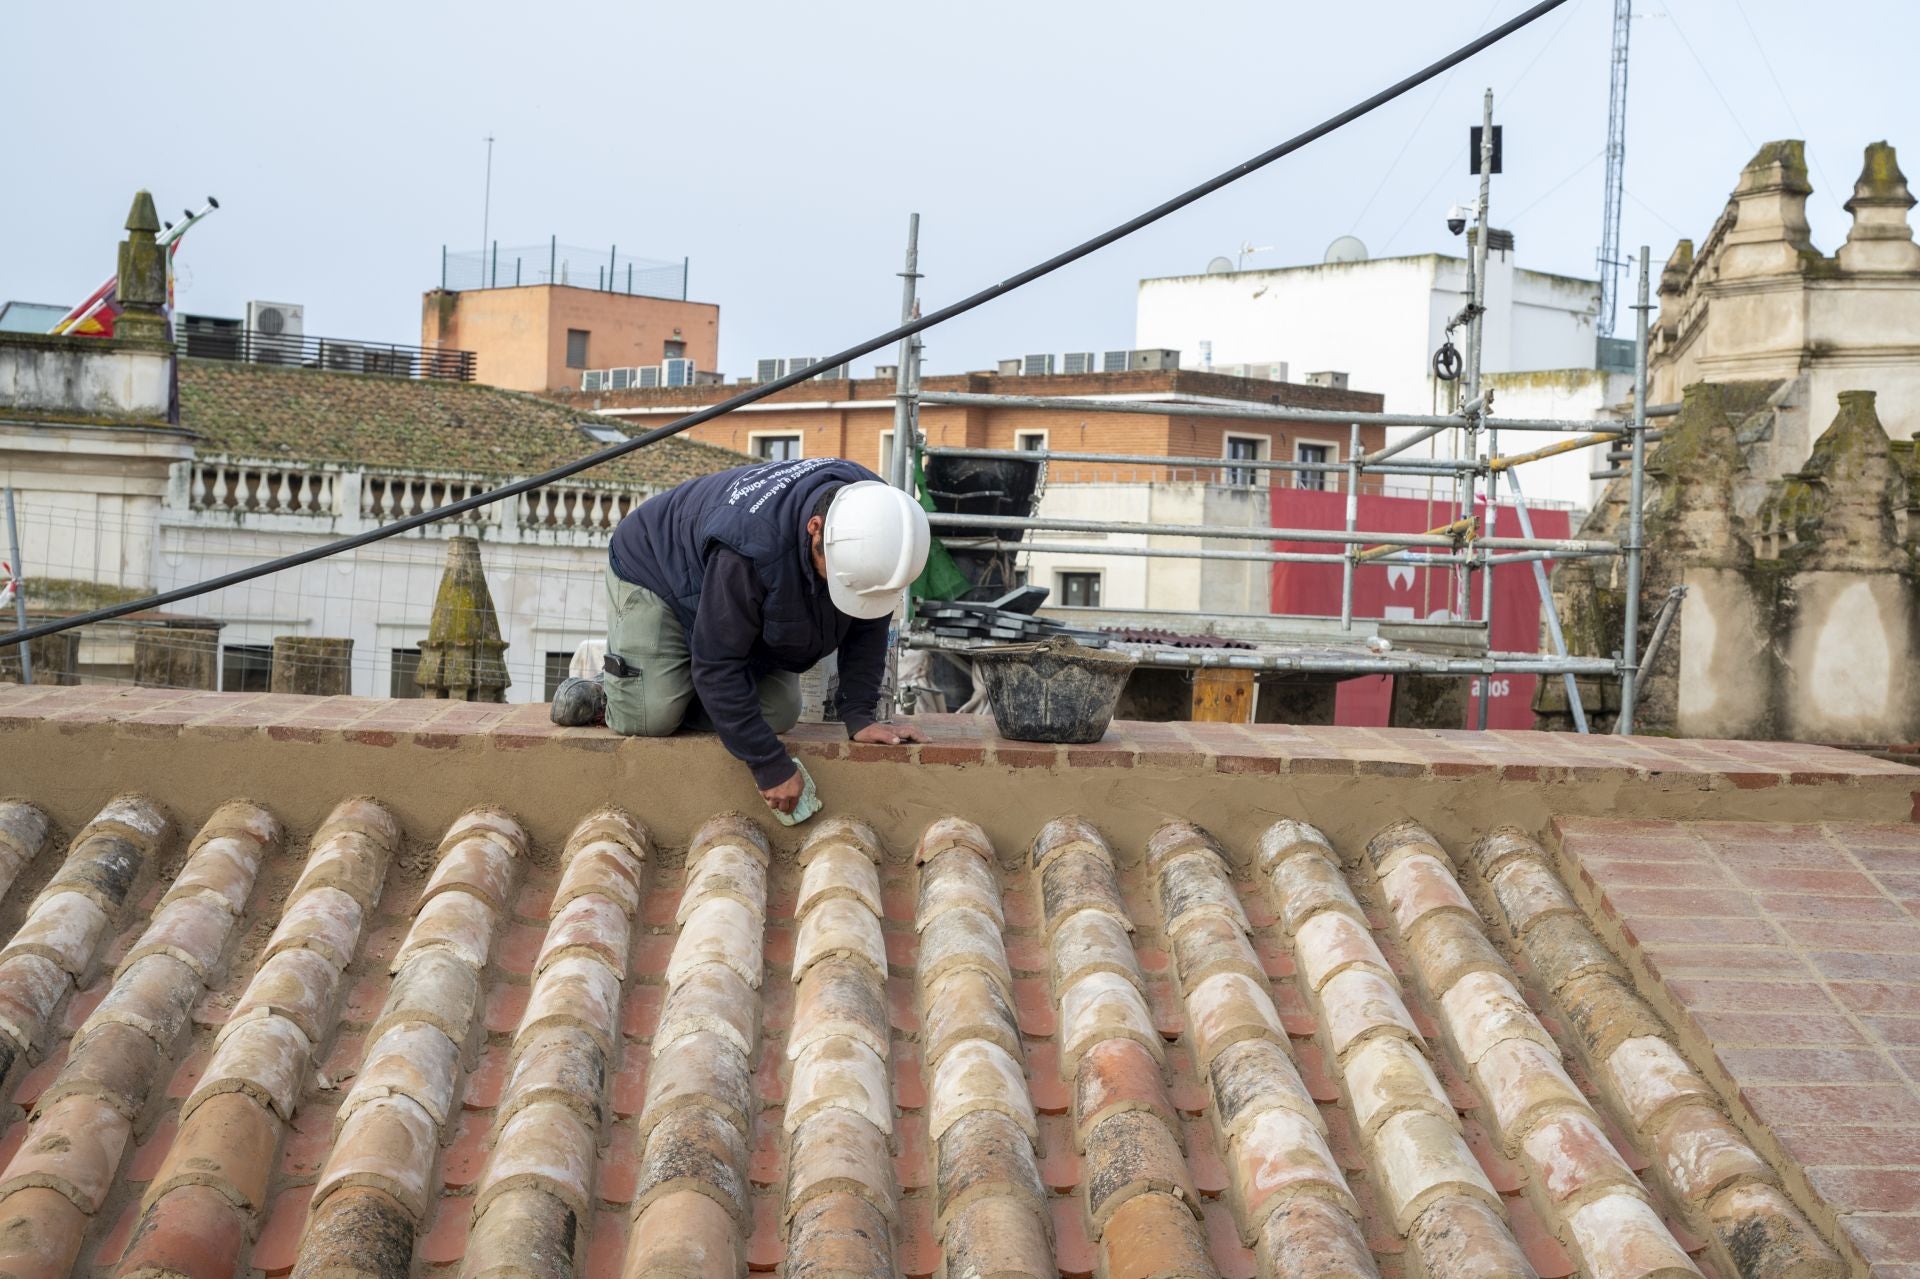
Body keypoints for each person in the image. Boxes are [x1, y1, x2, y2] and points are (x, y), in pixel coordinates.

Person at [551, 456, 931, 814]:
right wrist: (769, 765)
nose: (839, 584)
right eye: (834, 571)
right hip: (655, 566)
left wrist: (860, 716)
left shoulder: (880, 524)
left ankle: (673, 679)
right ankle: (613, 691)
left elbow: (868, 622)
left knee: (779, 714)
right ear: (815, 529)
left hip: (729, 593)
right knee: (651, 717)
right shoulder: (751, 549)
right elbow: (718, 664)